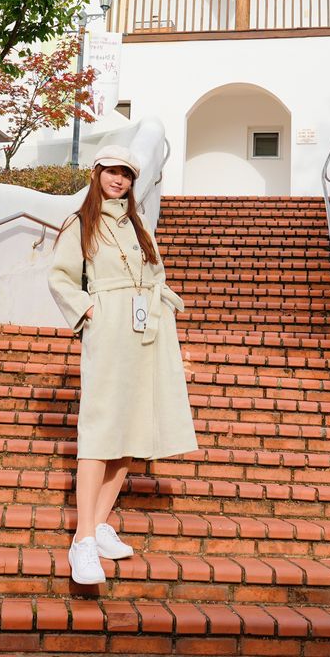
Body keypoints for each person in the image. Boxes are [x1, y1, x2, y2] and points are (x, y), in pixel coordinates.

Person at [47, 144, 197, 585]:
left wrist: (159, 304)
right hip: (110, 327)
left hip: (146, 327)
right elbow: (60, 278)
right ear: (97, 174)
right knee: (100, 429)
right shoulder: (80, 223)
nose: (120, 180)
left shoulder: (138, 225)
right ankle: (82, 541)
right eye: (113, 171)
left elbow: (155, 274)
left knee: (131, 428)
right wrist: (90, 312)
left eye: (127, 174)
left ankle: (100, 523)